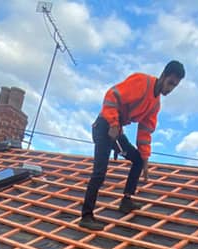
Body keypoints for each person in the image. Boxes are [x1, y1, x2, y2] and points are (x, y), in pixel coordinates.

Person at [79, 61, 185, 232]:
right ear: (163, 75)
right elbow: (112, 96)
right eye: (170, 83)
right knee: (99, 172)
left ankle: (126, 200)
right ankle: (86, 216)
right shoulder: (142, 83)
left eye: (175, 86)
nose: (171, 89)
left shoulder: (155, 104)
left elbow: (145, 133)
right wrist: (113, 123)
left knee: (137, 160)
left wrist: (145, 160)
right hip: (104, 125)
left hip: (116, 130)